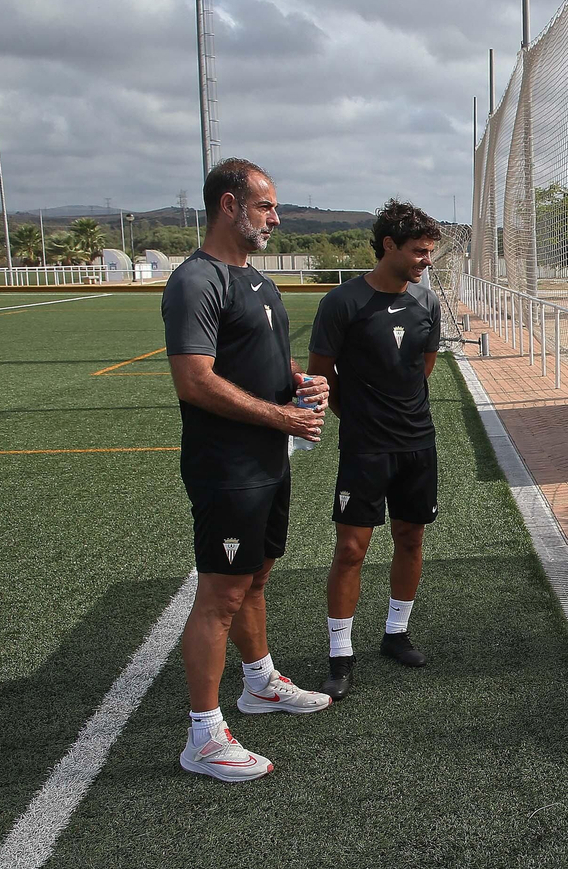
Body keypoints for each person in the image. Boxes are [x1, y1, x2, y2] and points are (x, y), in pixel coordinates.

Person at [163, 158, 332, 783]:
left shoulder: (258, 284)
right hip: (226, 465)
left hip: (267, 457)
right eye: (265, 206)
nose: (276, 217)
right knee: (221, 594)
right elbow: (194, 381)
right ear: (229, 206)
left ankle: (259, 683)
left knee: (256, 578)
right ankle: (202, 737)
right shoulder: (195, 282)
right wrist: (281, 419)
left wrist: (297, 383)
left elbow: (259, 363)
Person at [307, 200, 444, 701]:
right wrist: (358, 415)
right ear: (388, 246)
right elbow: (322, 374)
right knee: (350, 549)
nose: (426, 261)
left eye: (430, 252)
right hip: (365, 448)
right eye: (418, 252)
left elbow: (421, 368)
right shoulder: (341, 303)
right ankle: (340, 653)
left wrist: (400, 413)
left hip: (418, 444)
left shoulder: (425, 304)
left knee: (411, 539)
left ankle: (395, 633)